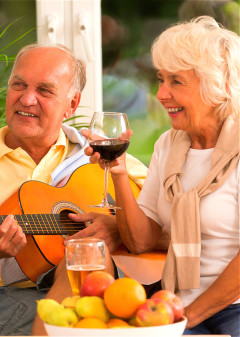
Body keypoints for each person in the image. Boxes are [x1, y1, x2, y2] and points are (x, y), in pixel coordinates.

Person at [0, 43, 148, 336]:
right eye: (18, 84)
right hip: (8, 309)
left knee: (85, 255)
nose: (27, 98)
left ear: (72, 104)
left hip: (106, 303)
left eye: (44, 90)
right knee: (86, 256)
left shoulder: (100, 156)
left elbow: (162, 227)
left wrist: (120, 226)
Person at [86, 16, 239, 336]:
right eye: (160, 79)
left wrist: (187, 316)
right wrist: (119, 173)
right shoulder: (168, 144)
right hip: (173, 302)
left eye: (176, 81)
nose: (160, 94)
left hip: (231, 309)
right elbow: (140, 240)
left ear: (215, 85)